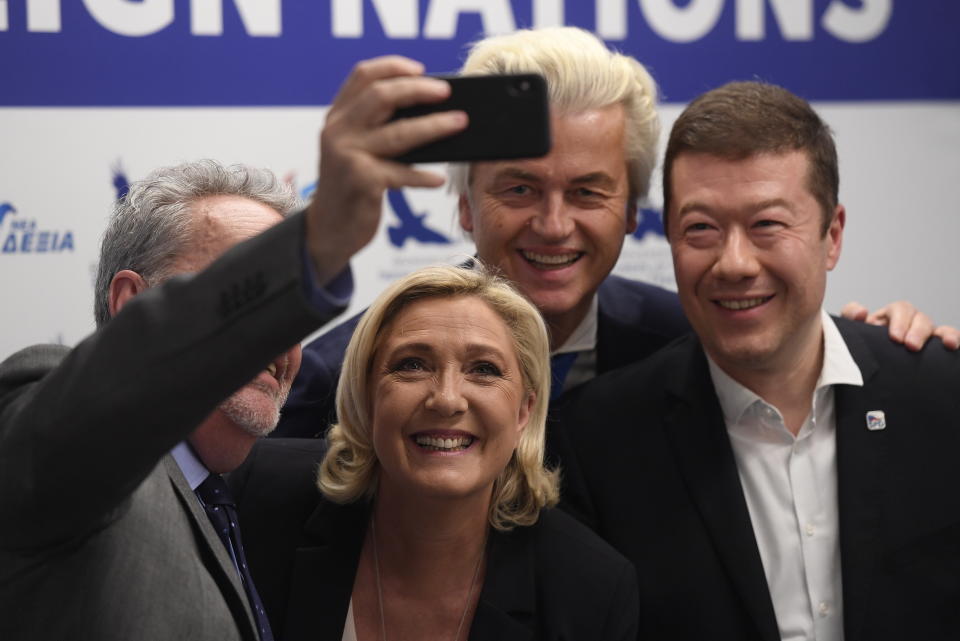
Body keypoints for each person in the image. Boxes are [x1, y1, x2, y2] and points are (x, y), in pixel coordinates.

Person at [275, 26, 956, 441]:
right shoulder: (349, 374)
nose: (552, 223)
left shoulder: (705, 344)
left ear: (633, 211)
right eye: (518, 189)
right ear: (464, 207)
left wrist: (889, 346)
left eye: (587, 192)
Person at [0, 61, 469, 641]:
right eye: (251, 300)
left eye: (286, 315)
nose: (277, 338)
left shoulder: (266, 499)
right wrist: (313, 247)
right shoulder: (66, 441)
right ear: (131, 304)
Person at [556, 81, 960, 641]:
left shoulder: (940, 394)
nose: (735, 263)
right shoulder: (596, 442)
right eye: (701, 228)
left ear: (832, 235)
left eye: (767, 224)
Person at [230, 264, 639, 641]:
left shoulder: (591, 592)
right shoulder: (255, 499)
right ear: (367, 396)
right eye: (412, 365)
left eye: (483, 370)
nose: (446, 400)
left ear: (524, 411)